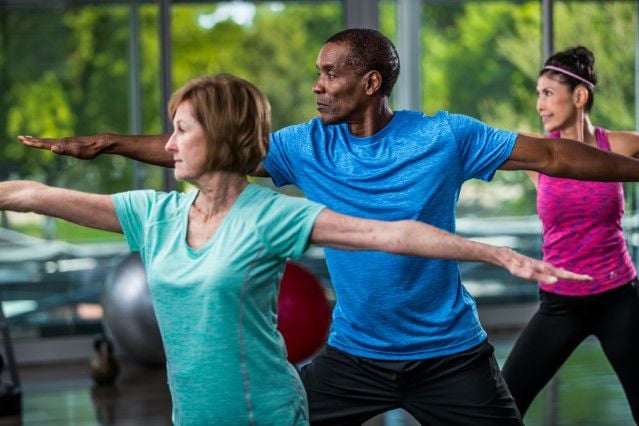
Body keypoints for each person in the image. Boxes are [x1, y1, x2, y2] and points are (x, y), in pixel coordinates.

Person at [18, 29, 639, 425]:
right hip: (353, 357)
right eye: (317, 72)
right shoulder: (301, 147)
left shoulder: (445, 135)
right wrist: (108, 144)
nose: (316, 85)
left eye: (330, 73)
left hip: (450, 356)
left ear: (370, 83)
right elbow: (204, 148)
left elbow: (553, 156)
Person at [501, 46, 639, 422]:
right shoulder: (538, 151)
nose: (539, 105)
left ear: (579, 96)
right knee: (504, 403)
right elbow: (477, 147)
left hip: (620, 300)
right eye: (537, 95)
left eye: (547, 93)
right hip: (560, 304)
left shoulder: (619, 145)